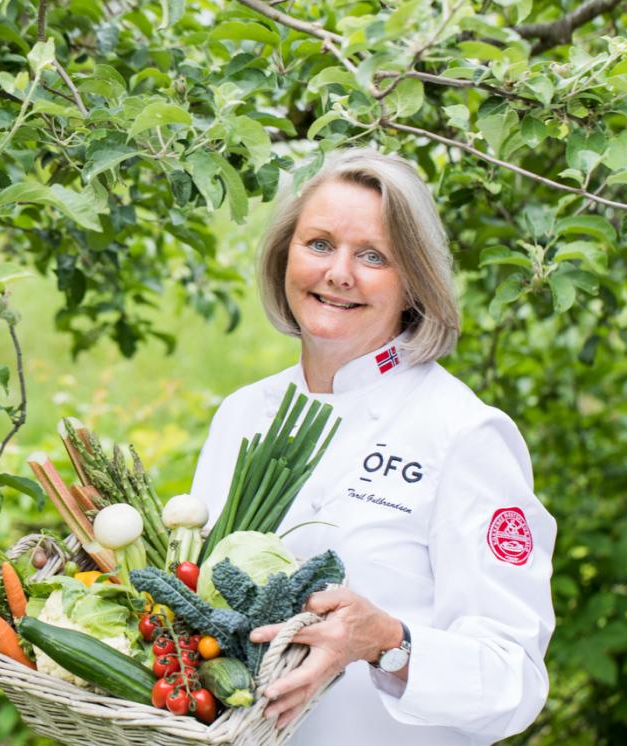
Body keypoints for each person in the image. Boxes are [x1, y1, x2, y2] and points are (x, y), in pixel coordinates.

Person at [188, 149, 556, 745]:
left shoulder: (463, 433)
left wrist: (389, 643)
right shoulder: (242, 414)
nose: (338, 274)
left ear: (413, 280)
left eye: (372, 256)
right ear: (285, 254)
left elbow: (513, 681)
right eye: (319, 244)